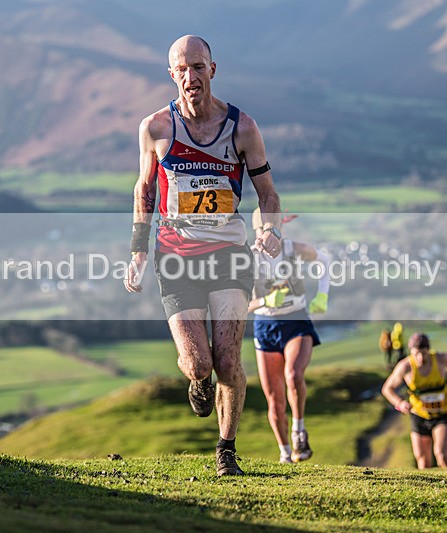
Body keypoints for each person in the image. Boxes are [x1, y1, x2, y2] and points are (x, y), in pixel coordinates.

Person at [124, 35, 281, 477]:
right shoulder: (155, 128)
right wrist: (138, 249)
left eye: (198, 67)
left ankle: (226, 449)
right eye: (182, 69)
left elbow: (267, 195)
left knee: (229, 361)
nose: (190, 77)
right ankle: (198, 379)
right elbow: (146, 189)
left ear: (213, 69)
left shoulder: (242, 128)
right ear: (171, 74)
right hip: (175, 255)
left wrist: (268, 230)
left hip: (230, 252)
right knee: (199, 362)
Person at [247, 208, 330, 464]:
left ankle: (299, 430)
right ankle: (285, 453)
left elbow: (324, 260)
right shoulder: (248, 258)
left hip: (296, 320)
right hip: (266, 325)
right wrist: (264, 300)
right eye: (265, 231)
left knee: (293, 375)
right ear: (257, 232)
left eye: (275, 230)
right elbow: (241, 303)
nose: (271, 237)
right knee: (274, 399)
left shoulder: (293, 249)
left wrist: (322, 295)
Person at [381, 332, 447, 469]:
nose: (420, 358)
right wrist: (400, 403)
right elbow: (387, 389)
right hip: (419, 415)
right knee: (423, 462)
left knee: (442, 455)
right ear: (411, 352)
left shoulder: (440, 359)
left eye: (424, 354)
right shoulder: (405, 367)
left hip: (442, 413)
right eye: (416, 354)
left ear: (428, 350)